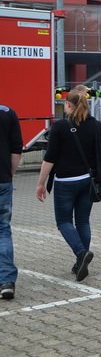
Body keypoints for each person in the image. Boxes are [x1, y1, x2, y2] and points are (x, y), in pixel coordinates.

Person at [34, 90, 101, 282]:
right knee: (83, 221)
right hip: (87, 180)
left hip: (65, 182)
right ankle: (79, 263)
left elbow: (49, 158)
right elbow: (100, 155)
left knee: (64, 221)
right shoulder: (96, 126)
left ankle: (81, 253)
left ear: (68, 105)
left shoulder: (60, 127)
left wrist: (41, 183)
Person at [0, 102, 23, 300]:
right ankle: (6, 280)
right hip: (2, 181)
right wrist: (10, 174)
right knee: (3, 229)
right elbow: (16, 150)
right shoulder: (8, 113)